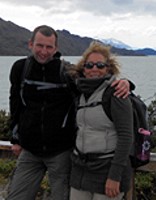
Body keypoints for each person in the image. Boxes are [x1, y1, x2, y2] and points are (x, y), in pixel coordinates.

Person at [7, 25, 131, 200]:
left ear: (56, 48)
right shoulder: (20, 68)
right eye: (40, 45)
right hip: (30, 150)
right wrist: (15, 137)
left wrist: (125, 82)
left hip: (60, 152)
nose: (44, 51)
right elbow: (16, 103)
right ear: (30, 44)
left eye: (49, 47)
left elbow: (95, 79)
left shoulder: (67, 71)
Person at [69, 42, 133, 200]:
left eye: (100, 65)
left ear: (108, 68)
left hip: (107, 171)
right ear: (83, 69)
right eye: (89, 65)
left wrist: (115, 176)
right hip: (81, 170)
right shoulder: (79, 92)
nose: (94, 69)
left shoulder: (116, 94)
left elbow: (126, 137)